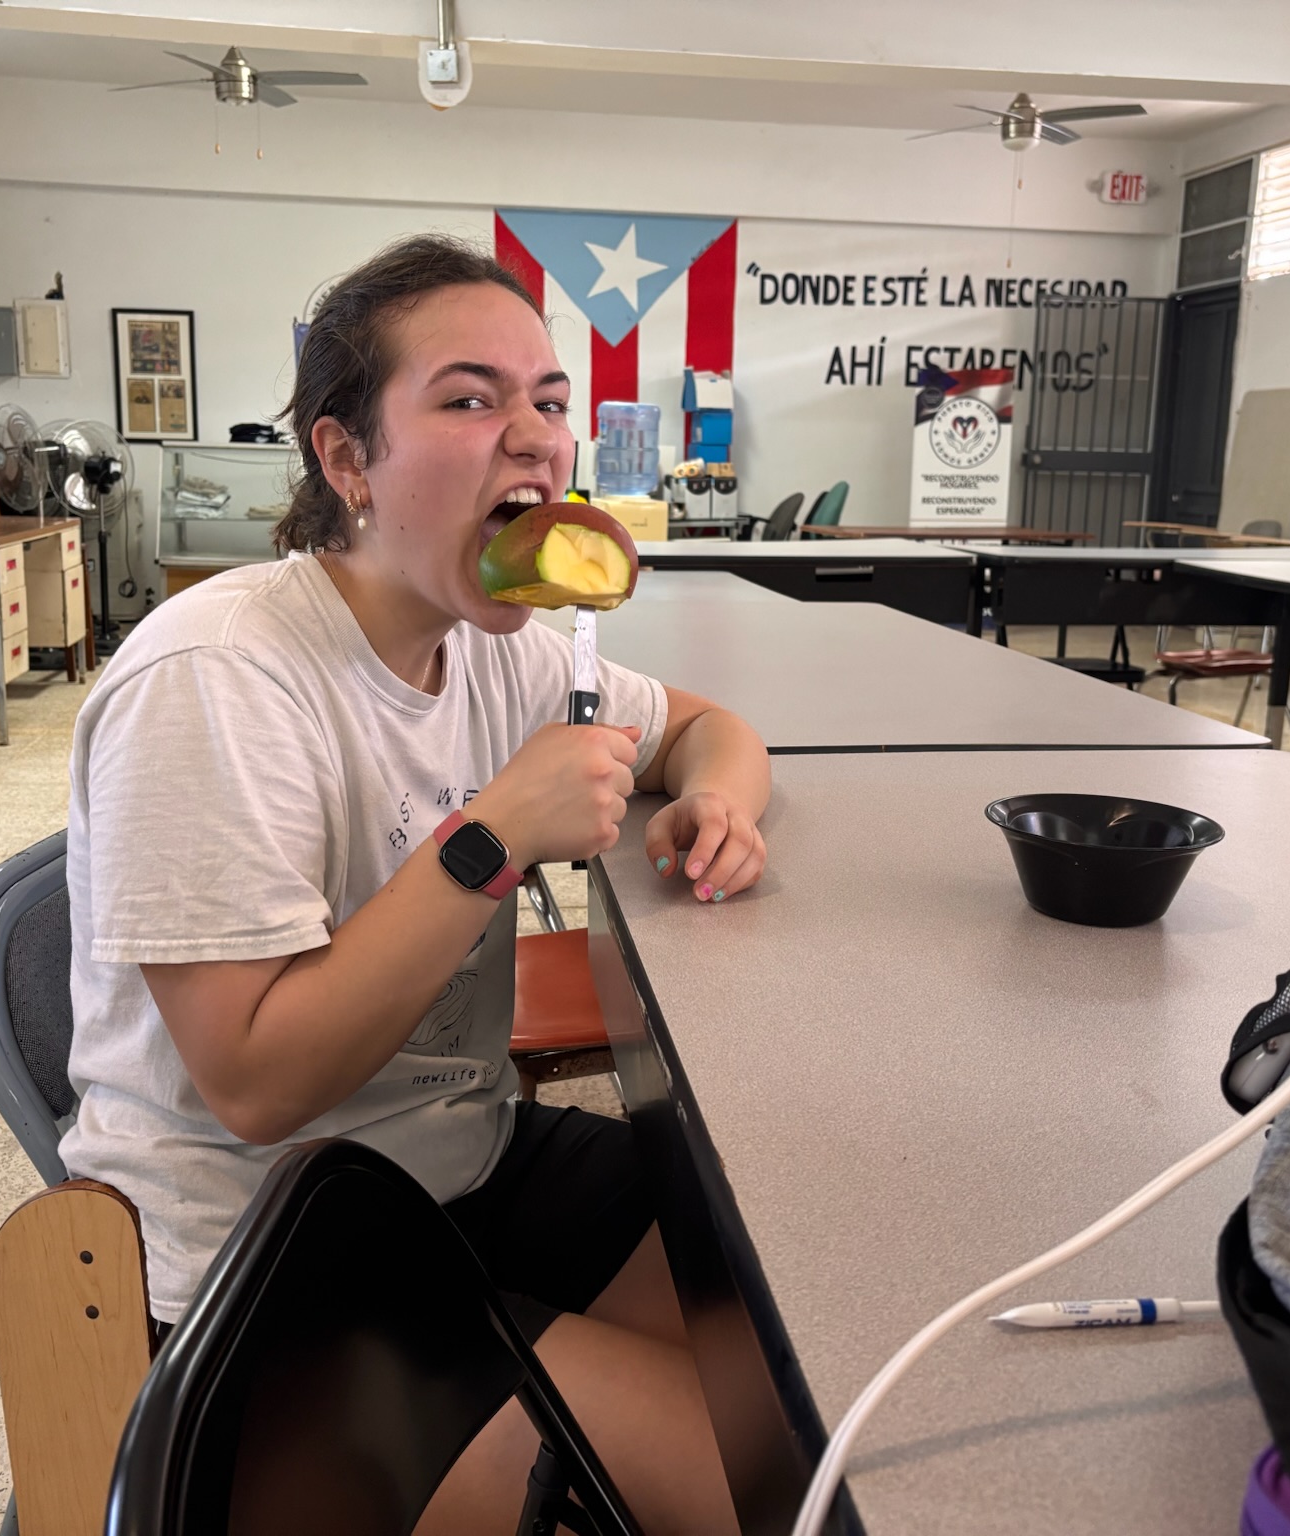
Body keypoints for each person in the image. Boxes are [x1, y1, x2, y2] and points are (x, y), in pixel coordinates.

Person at [61, 234, 770, 1534]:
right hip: (269, 1252)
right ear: (347, 460)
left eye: (549, 400)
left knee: (787, 1348)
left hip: (462, 1162)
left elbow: (709, 728)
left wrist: (716, 800)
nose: (536, 437)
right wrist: (491, 835)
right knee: (752, 1487)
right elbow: (257, 1083)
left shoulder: (506, 650)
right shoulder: (219, 679)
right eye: (470, 399)